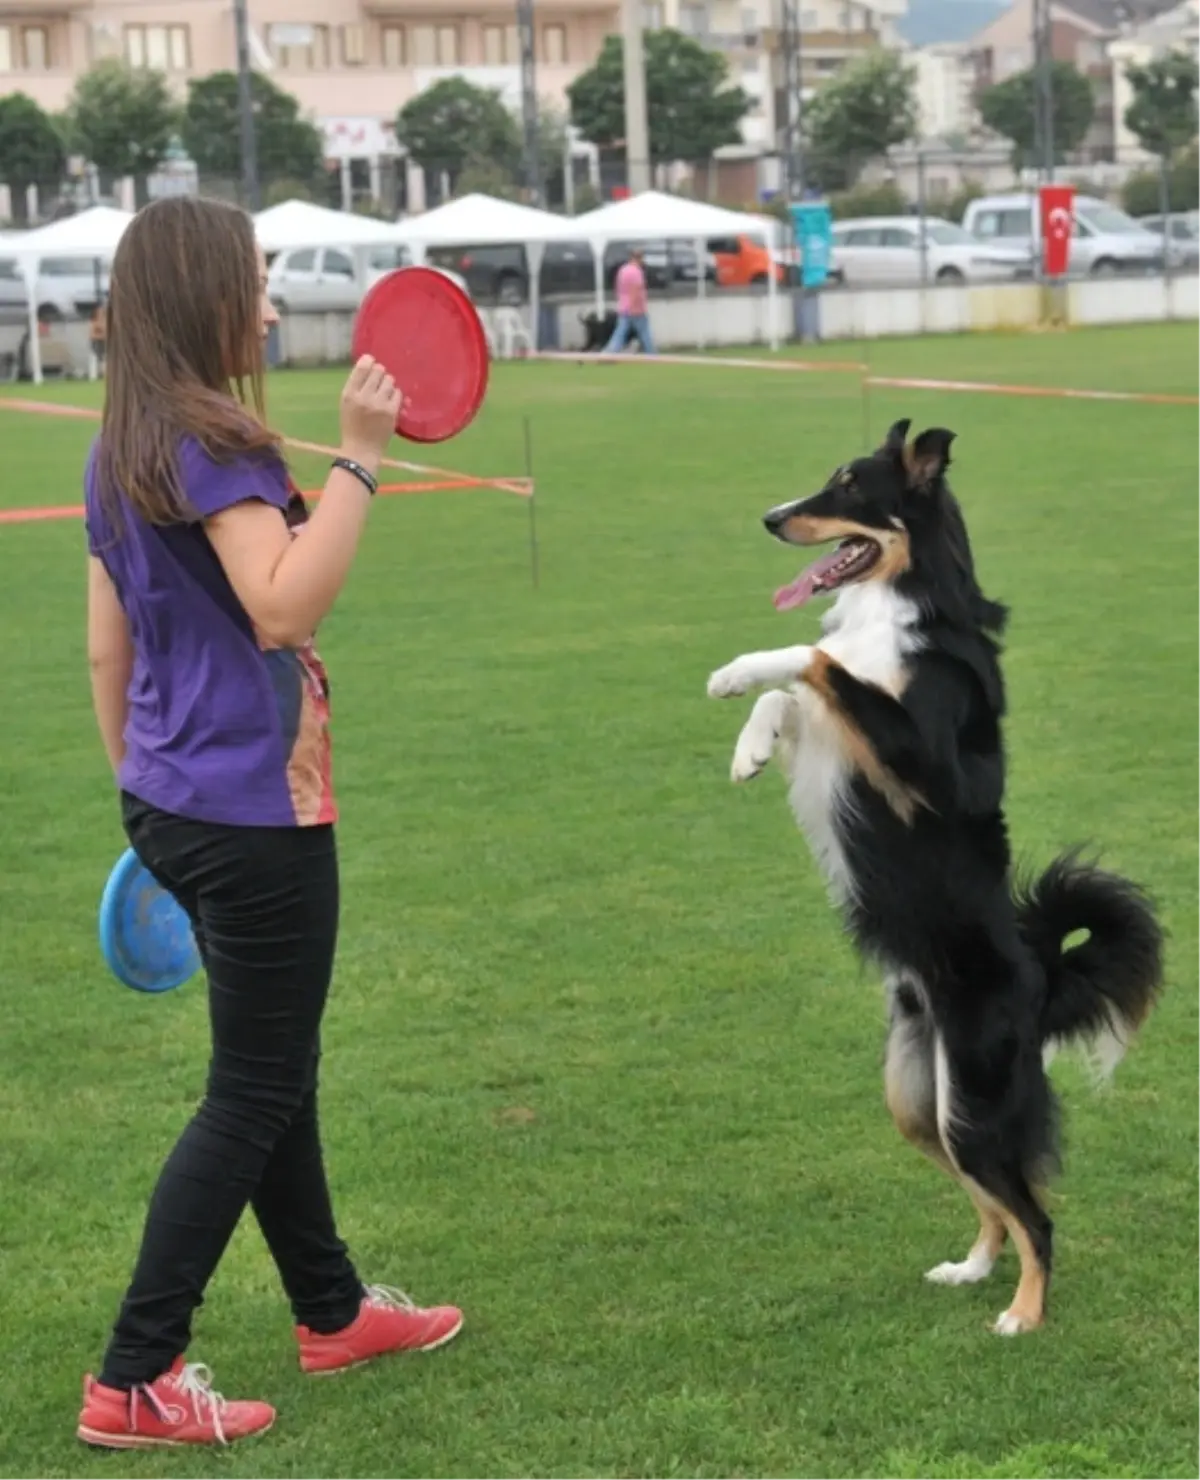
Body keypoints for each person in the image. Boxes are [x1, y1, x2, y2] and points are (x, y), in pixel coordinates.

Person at [79, 195, 463, 1452]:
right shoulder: (219, 442)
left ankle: (333, 1309)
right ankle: (137, 1372)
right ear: (204, 295)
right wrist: (358, 456)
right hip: (255, 814)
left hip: (174, 799)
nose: (268, 296)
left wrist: (150, 803)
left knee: (272, 1061)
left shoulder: (120, 443)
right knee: (252, 1086)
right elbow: (285, 606)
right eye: (253, 276)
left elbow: (104, 649)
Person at [603, 248, 656, 355]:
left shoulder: (623, 270)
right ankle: (652, 354)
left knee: (620, 333)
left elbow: (618, 288)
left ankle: (610, 353)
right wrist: (632, 305)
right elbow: (636, 289)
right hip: (636, 309)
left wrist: (623, 304)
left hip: (624, 307)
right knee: (644, 333)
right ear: (639, 258)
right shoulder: (637, 272)